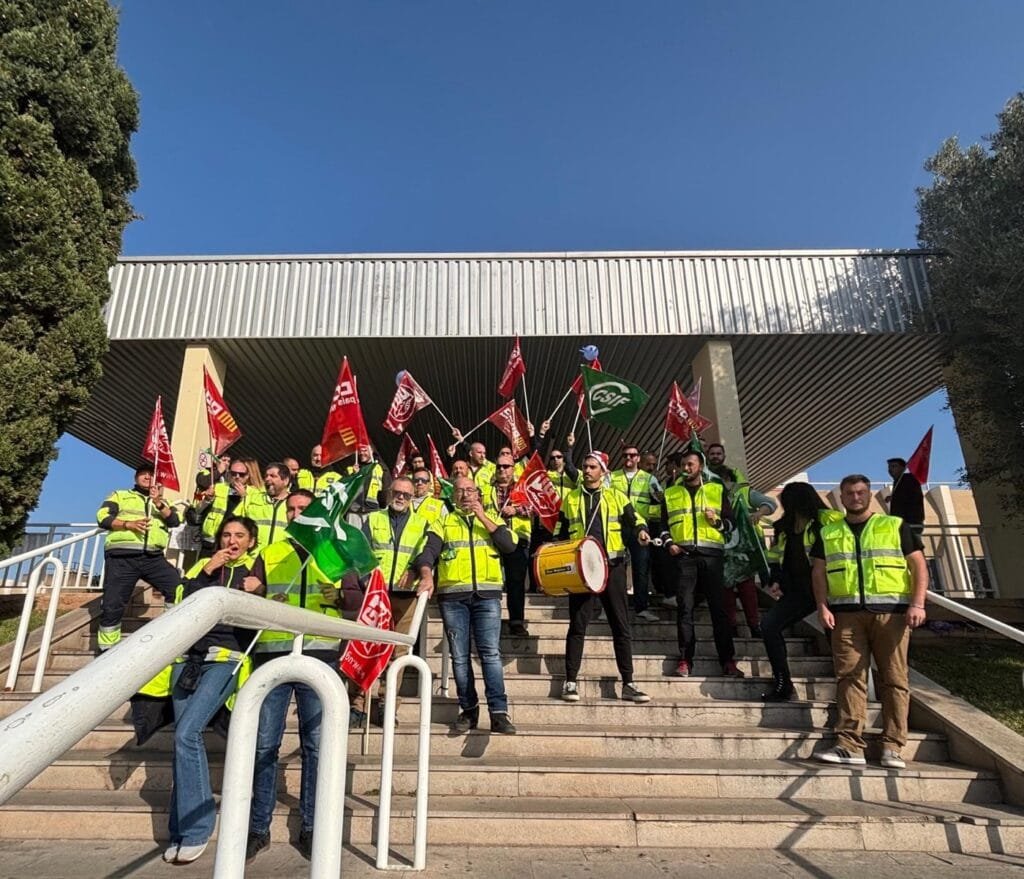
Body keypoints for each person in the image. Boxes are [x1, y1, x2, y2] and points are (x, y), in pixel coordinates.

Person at [244, 489, 354, 861]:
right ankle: (257, 828)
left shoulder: (333, 552)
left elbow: (357, 603)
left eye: (303, 510)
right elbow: (246, 597)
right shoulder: (270, 552)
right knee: (262, 746)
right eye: (291, 510)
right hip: (272, 658)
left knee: (317, 747)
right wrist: (257, 597)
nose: (295, 515)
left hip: (321, 657)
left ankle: (311, 826)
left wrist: (339, 598)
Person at [812, 474, 928, 769]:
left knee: (894, 679)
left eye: (861, 492)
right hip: (846, 614)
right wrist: (822, 606)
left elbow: (918, 565)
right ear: (841, 496)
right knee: (850, 677)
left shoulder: (893, 525)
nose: (855, 497)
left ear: (869, 495)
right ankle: (849, 744)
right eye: (849, 493)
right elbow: (819, 572)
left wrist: (918, 603)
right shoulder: (829, 531)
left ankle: (892, 745)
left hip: (891, 614)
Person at [163, 515, 262, 865]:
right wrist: (206, 570)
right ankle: (178, 828)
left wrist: (258, 589)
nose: (231, 540)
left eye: (239, 535)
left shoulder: (256, 567)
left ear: (251, 541)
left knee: (188, 734)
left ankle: (196, 829)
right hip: (188, 661)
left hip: (225, 659)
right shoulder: (203, 566)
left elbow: (263, 608)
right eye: (226, 534)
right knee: (181, 738)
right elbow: (182, 604)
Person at [416, 475, 517, 734]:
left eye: (470, 490)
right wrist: (427, 575)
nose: (465, 495)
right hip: (453, 597)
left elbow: (508, 546)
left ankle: (499, 713)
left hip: (487, 596)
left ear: (478, 494)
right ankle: (469, 710)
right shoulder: (444, 521)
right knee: (460, 658)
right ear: (452, 496)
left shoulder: (493, 518)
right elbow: (428, 552)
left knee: (490, 655)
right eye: (459, 491)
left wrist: (483, 516)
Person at [558, 451, 651, 704]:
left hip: (613, 566)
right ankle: (570, 682)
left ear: (603, 471)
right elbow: (561, 530)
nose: (586, 471)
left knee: (620, 626)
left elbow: (636, 519)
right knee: (577, 626)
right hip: (582, 569)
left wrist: (642, 531)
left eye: (592, 467)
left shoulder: (616, 497)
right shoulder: (570, 498)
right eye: (585, 466)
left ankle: (629, 683)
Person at [662, 449, 742, 678]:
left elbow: (731, 524)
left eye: (690, 464)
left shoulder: (716, 490)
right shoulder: (671, 492)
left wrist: (716, 521)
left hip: (712, 557)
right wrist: (669, 544)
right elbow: (663, 525)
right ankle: (686, 659)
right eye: (683, 465)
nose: (686, 469)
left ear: (700, 466)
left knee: (719, 610)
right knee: (685, 609)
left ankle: (728, 661)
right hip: (684, 557)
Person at [362, 476, 436, 724]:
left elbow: (425, 554)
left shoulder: (422, 523)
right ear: (388, 493)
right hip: (375, 594)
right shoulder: (373, 519)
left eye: (406, 493)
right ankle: (359, 704)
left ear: (413, 496)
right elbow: (362, 554)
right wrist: (366, 581)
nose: (401, 497)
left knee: (400, 653)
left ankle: (387, 704)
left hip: (406, 596)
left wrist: (417, 572)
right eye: (397, 492)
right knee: (367, 648)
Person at [760, 483, 843, 701]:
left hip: (829, 587)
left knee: (835, 635)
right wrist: (775, 579)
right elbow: (775, 557)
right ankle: (782, 683)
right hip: (797, 590)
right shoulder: (783, 526)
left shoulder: (830, 519)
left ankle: (848, 685)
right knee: (769, 625)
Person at [94, 464, 182, 651]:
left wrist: (158, 503)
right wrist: (128, 524)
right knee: (113, 603)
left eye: (152, 475)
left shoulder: (162, 502)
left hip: (153, 557)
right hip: (122, 556)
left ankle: (170, 633)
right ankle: (107, 649)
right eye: (143, 474)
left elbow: (174, 521)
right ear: (136, 478)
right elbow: (103, 517)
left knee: (178, 588)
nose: (147, 477)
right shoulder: (119, 495)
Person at [610, 445, 662, 622]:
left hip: (640, 528)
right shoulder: (612, 477)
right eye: (625, 455)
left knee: (641, 567)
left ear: (638, 458)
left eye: (633, 455)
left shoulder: (649, 478)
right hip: (616, 527)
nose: (629, 458)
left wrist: (651, 523)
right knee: (615, 567)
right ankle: (610, 607)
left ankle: (642, 607)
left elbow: (658, 502)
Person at [492, 453, 533, 637]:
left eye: (506, 466)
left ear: (514, 469)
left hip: (518, 539)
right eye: (499, 466)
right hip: (492, 540)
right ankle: (491, 620)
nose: (502, 469)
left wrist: (515, 510)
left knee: (516, 582)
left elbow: (535, 507)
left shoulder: (523, 488)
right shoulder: (486, 489)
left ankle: (516, 622)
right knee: (492, 582)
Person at [193, 457, 260, 556]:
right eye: (233, 473)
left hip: (234, 545)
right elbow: (197, 510)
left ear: (248, 476)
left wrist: (245, 499)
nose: (237, 477)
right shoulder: (218, 487)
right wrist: (207, 500)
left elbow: (255, 519)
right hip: (211, 542)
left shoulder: (255, 494)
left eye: (241, 474)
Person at [238, 461, 292, 548]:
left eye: (273, 476)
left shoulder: (295, 503)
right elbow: (235, 525)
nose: (267, 479)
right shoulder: (250, 499)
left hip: (281, 558)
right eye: (266, 476)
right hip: (254, 557)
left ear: (285, 481)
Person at [886, 457, 925, 535]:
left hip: (910, 523)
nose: (890, 469)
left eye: (894, 466)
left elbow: (912, 497)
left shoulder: (909, 479)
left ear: (902, 468)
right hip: (902, 524)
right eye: (889, 467)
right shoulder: (898, 482)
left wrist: (895, 497)